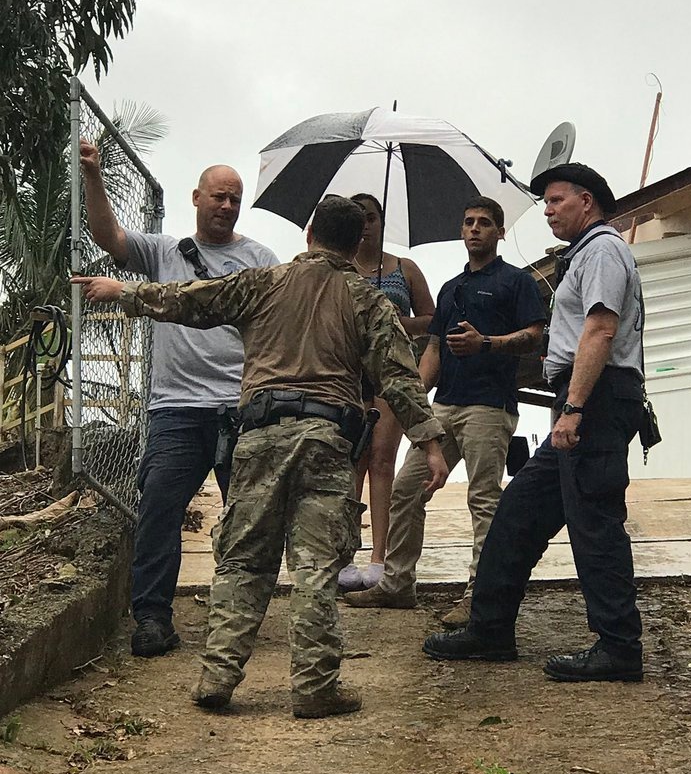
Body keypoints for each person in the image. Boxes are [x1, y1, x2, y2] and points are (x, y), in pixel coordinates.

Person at [73, 195, 448, 718]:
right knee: (317, 565)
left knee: (243, 558)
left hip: (258, 435)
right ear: (355, 240)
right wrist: (431, 444)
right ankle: (315, 686)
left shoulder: (262, 282)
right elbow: (400, 380)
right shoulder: (368, 301)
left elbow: (189, 299)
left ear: (310, 232)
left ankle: (217, 676)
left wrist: (125, 292)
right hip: (326, 437)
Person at [422, 164, 647, 680]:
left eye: (555, 200)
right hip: (582, 396)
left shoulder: (605, 250)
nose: (546, 210)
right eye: (545, 202)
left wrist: (573, 409)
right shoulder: (584, 254)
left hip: (595, 398)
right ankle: (491, 629)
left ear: (586, 202)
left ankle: (619, 647)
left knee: (594, 523)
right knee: (518, 512)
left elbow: (600, 331)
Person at [78, 140, 279, 659]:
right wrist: (94, 176)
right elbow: (109, 235)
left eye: (235, 199)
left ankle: (241, 618)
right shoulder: (164, 252)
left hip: (243, 407)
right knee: (159, 511)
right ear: (196, 197)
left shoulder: (260, 259)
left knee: (251, 519)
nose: (227, 206)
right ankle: (151, 619)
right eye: (219, 196)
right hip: (175, 409)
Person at [345, 196, 547, 627]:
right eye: (469, 222)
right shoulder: (452, 288)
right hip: (444, 407)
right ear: (462, 230)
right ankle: (398, 584)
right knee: (406, 489)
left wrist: (488, 343)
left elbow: (533, 336)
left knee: (484, 500)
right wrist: (412, 398)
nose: (475, 229)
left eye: (485, 223)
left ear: (499, 232)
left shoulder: (517, 282)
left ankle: (481, 597)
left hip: (489, 407)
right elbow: (434, 348)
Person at [338, 192, 434, 591]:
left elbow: (431, 319)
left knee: (381, 459)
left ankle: (380, 556)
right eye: (357, 217)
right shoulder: (339, 270)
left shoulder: (403, 269)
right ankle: (344, 554)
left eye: (372, 216)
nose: (365, 224)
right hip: (346, 375)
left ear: (381, 221)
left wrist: (400, 323)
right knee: (350, 462)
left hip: (390, 374)